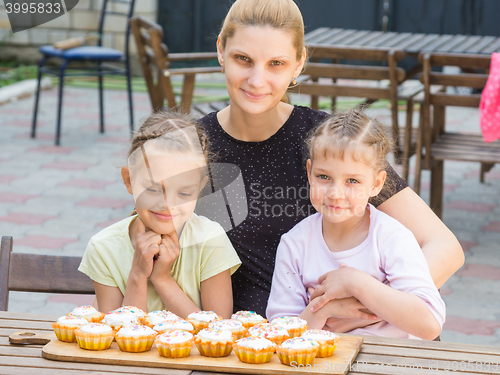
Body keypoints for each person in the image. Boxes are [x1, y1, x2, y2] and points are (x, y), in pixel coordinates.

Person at [198, 0, 463, 328]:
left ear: (298, 64)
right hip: (249, 342)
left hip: (351, 340)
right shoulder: (192, 145)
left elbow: (445, 247)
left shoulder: (327, 141)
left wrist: (358, 308)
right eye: (243, 59)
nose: (257, 80)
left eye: (276, 63)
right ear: (221, 49)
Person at [266, 109, 445, 340]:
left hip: (388, 364)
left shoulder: (391, 238)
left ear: (376, 183)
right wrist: (326, 308)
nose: (335, 193)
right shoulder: (295, 244)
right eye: (324, 177)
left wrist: (356, 283)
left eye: (352, 181)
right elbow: (281, 334)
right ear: (309, 172)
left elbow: (429, 324)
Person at [79, 111, 241, 317]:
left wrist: (163, 279)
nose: (168, 205)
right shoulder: (104, 248)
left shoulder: (210, 241)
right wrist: (137, 274)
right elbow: (117, 340)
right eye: (153, 189)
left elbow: (217, 334)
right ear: (129, 180)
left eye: (184, 193)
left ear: (200, 187)